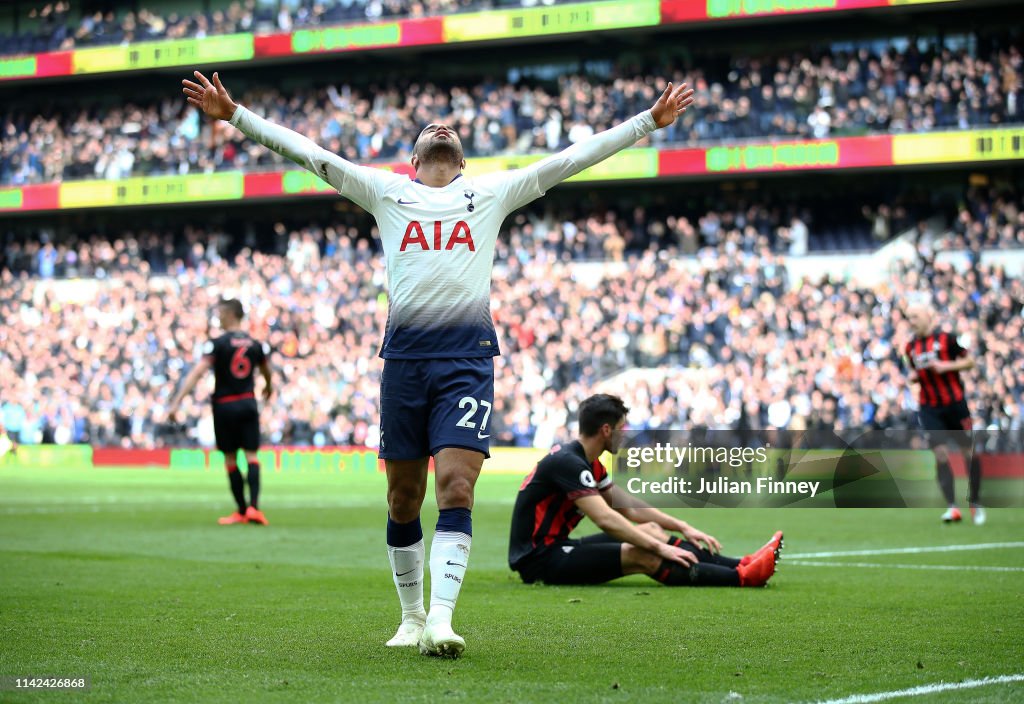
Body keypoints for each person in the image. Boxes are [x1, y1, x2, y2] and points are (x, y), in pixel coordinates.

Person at [182, 69, 695, 658]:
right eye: (430, 128)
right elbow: (308, 152)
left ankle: (443, 619)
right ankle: (410, 617)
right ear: (413, 158)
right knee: (403, 497)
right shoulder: (385, 192)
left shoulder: (490, 195)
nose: (441, 127)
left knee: (456, 487)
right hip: (403, 361)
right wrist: (237, 115)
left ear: (462, 161)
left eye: (449, 128)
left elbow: (569, 160)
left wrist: (645, 124)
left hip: (466, 361)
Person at [508, 394, 783, 587]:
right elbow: (605, 518)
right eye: (621, 427)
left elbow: (627, 507)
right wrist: (659, 548)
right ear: (606, 430)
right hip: (539, 560)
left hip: (558, 546)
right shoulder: (568, 463)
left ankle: (740, 564)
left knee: (650, 529)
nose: (625, 433)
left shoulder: (586, 462)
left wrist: (681, 526)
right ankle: (744, 578)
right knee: (642, 554)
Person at [167, 298, 273, 526]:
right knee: (252, 456)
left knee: (230, 458)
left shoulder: (217, 344)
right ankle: (254, 508)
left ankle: (242, 510)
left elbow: (197, 373)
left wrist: (176, 402)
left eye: (221, 313)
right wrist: (269, 387)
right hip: (247, 403)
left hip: (224, 405)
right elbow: (266, 371)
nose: (219, 317)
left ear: (232, 314)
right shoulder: (255, 344)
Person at [903, 300, 984, 524]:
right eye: (909, 318)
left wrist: (945, 366)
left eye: (915, 317)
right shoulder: (910, 348)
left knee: (969, 453)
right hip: (929, 408)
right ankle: (952, 507)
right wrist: (912, 378)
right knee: (940, 453)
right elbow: (913, 372)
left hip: (955, 404)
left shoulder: (947, 339)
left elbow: (970, 362)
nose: (912, 322)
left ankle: (975, 502)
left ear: (928, 316)